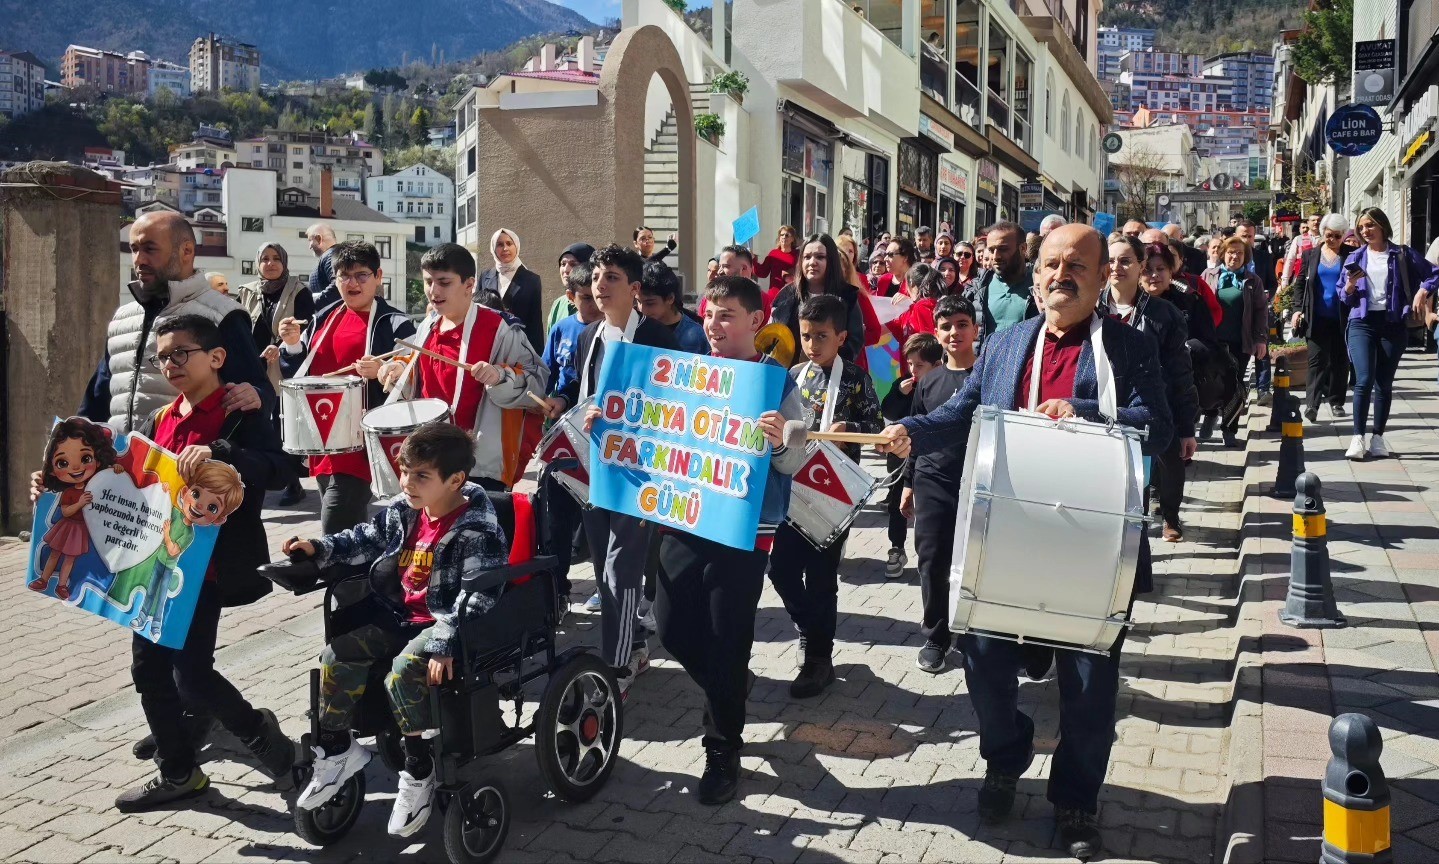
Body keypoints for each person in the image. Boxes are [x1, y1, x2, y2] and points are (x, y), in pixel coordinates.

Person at [876, 225, 1173, 861]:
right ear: (1036, 276)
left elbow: (1160, 427)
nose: (1061, 275)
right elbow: (962, 415)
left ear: (1101, 278)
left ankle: (1075, 800)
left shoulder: (1128, 347)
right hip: (1005, 541)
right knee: (983, 665)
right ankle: (1006, 754)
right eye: (1051, 265)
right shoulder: (1008, 343)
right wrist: (910, 431)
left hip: (1091, 546)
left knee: (1089, 688)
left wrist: (1085, 412)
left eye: (1077, 266)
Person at [284, 422, 509, 838]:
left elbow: (481, 592)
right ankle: (338, 750)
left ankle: (419, 768)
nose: (406, 482)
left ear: (455, 480)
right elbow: (365, 538)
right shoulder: (406, 510)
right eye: (404, 471)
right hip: (399, 616)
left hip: (442, 622)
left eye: (421, 475)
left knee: (403, 671)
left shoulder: (476, 527)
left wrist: (446, 640)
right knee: (337, 654)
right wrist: (319, 548)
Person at [112, 315, 295, 812]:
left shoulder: (239, 412)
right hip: (156, 568)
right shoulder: (159, 420)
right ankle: (178, 771)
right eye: (162, 357)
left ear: (216, 358)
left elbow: (282, 469)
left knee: (192, 675)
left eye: (181, 353)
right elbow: (126, 485)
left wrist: (222, 453)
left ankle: (262, 736)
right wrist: (58, 488)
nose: (170, 364)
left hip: (208, 570)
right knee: (149, 670)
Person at [655, 275, 809, 805]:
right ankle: (731, 684)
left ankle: (722, 749)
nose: (713, 325)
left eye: (726, 315)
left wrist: (780, 442)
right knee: (672, 628)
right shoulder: (689, 372)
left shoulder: (777, 384)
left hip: (746, 528)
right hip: (686, 517)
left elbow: (796, 460)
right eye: (708, 314)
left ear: (756, 322)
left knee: (727, 636)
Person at [544, 244, 680, 693]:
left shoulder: (658, 339)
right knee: (603, 566)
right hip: (592, 466)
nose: (600, 285)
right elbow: (579, 389)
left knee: (622, 567)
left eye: (612, 278)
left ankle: (617, 665)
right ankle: (634, 646)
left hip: (639, 470)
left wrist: (622, 417)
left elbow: (673, 407)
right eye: (597, 276)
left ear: (635, 288)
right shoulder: (588, 335)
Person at [767, 294, 882, 699]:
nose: (812, 344)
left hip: (834, 492)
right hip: (792, 486)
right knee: (780, 570)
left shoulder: (856, 378)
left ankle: (819, 659)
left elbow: (877, 426)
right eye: (806, 336)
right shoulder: (793, 374)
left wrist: (850, 427)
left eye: (821, 336)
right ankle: (810, 627)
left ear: (841, 337)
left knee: (821, 577)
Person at [380, 243, 548, 491]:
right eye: (428, 281)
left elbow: (537, 382)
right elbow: (419, 381)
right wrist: (398, 371)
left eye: (444, 282)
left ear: (469, 285)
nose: (433, 291)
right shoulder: (427, 326)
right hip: (431, 458)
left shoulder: (500, 329)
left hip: (480, 464)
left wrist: (500, 376)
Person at [83, 211, 269, 433]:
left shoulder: (223, 315)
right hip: (119, 454)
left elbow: (255, 395)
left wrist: (255, 398)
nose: (139, 260)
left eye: (150, 249)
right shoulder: (123, 319)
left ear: (186, 251)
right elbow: (96, 401)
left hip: (186, 454)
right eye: (134, 249)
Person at [279, 241, 417, 534]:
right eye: (344, 276)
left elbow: (414, 377)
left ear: (378, 276)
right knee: (348, 527)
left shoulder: (395, 323)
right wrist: (291, 344)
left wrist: (382, 371)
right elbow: (299, 372)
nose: (352, 283)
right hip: (322, 439)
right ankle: (359, 563)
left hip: (363, 444)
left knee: (335, 521)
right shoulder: (322, 318)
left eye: (361, 275)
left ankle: (336, 563)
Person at [1104, 235, 1199, 542]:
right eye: (1111, 261)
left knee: (1168, 464)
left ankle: (1170, 516)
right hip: (1107, 407)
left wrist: (1186, 427)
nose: (1116, 267)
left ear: (1139, 265)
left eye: (1125, 261)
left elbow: (1180, 372)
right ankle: (1132, 536)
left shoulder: (1163, 314)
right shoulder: (1091, 308)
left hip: (1157, 405)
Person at [899, 297, 976, 672]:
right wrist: (909, 483)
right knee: (931, 560)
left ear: (975, 329)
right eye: (946, 326)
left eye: (962, 324)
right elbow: (917, 433)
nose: (954, 332)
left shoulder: (990, 378)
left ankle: (977, 634)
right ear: (936, 333)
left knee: (976, 562)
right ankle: (936, 635)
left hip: (977, 482)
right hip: (932, 480)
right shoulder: (928, 382)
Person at [1340, 207, 1439, 459]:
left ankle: (1378, 438)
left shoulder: (1402, 253)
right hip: (1362, 322)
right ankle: (1358, 437)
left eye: (1370, 225)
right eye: (1361, 227)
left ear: (1382, 226)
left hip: (1392, 324)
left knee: (1383, 383)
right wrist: (1350, 285)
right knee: (1363, 380)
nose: (1365, 231)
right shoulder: (1355, 257)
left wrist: (1422, 291)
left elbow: (1434, 273)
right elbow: (1344, 295)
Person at [541, 258, 601, 610]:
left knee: (595, 519)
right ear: (570, 297)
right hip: (562, 436)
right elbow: (549, 374)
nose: (593, 304)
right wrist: (550, 403)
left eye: (597, 295)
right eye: (585, 297)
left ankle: (605, 585)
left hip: (598, 439)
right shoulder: (562, 329)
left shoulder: (612, 331)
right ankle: (557, 589)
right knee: (556, 517)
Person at [236, 242, 315, 506]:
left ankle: (292, 482)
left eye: (276, 258)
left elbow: (307, 328)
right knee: (255, 424)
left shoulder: (299, 291)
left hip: (285, 367)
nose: (270, 264)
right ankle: (256, 477)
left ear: (284, 262)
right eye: (265, 259)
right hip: (253, 367)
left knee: (285, 425)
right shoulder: (246, 292)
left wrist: (281, 345)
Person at [1200, 237, 1267, 448]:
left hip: (1240, 342)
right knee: (1209, 382)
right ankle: (1210, 414)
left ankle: (1229, 429)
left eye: (1239, 253)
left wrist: (1260, 340)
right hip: (1212, 341)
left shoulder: (1252, 281)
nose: (1234, 256)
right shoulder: (1208, 275)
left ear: (1245, 257)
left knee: (1235, 386)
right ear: (1223, 254)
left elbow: (1260, 312)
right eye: (1230, 252)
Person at [1288, 214, 1352, 423]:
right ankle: (1312, 405)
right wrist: (1297, 309)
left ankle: (1336, 401)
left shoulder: (1350, 255)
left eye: (1337, 236)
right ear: (1323, 233)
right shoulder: (1311, 255)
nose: (1332, 239)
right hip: (1316, 316)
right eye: (1329, 235)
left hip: (1342, 316)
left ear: (1343, 236)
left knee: (1340, 360)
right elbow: (1300, 284)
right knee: (1316, 360)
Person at [770, 234, 867, 365]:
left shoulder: (847, 296)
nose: (812, 262)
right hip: (789, 373)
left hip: (833, 373)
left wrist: (828, 367)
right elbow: (773, 337)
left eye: (820, 257)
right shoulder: (786, 295)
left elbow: (854, 341)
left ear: (831, 261)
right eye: (807, 257)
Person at [964, 222, 1038, 345]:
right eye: (991, 250)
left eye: (1003, 249)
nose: (995, 256)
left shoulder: (1040, 287)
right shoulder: (976, 289)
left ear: (1023, 248)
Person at [475, 228, 544, 354]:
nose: (505, 248)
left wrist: (536, 355)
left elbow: (535, 322)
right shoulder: (485, 276)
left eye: (509, 243)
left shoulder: (531, 279)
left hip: (518, 346)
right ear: (493, 249)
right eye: (500, 244)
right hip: (488, 343)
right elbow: (476, 310)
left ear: (516, 246)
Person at [1234, 219, 1276, 404]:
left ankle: (1263, 389)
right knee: (1237, 356)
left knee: (1262, 349)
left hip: (1259, 310)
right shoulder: (1230, 257)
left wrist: (1268, 295)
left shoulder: (1264, 257)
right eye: (1243, 236)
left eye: (1250, 236)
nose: (1247, 239)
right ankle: (1237, 393)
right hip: (1238, 312)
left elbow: (1272, 283)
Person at [639, 260, 709, 354]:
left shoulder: (696, 335)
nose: (642, 310)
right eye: (638, 302)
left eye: (650, 303)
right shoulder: (636, 329)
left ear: (670, 298)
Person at [545, 242, 596, 336]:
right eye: (563, 264)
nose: (566, 270)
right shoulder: (559, 304)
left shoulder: (600, 303)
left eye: (573, 264)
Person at [754, 225, 800, 294]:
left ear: (792, 239)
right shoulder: (773, 254)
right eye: (782, 235)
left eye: (787, 235)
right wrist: (753, 260)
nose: (784, 237)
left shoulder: (798, 255)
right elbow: (763, 272)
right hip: (774, 294)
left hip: (791, 293)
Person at [306, 223, 339, 308]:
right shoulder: (333, 255)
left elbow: (337, 286)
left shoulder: (330, 256)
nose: (310, 246)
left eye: (310, 240)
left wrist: (310, 303)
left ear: (319, 238)